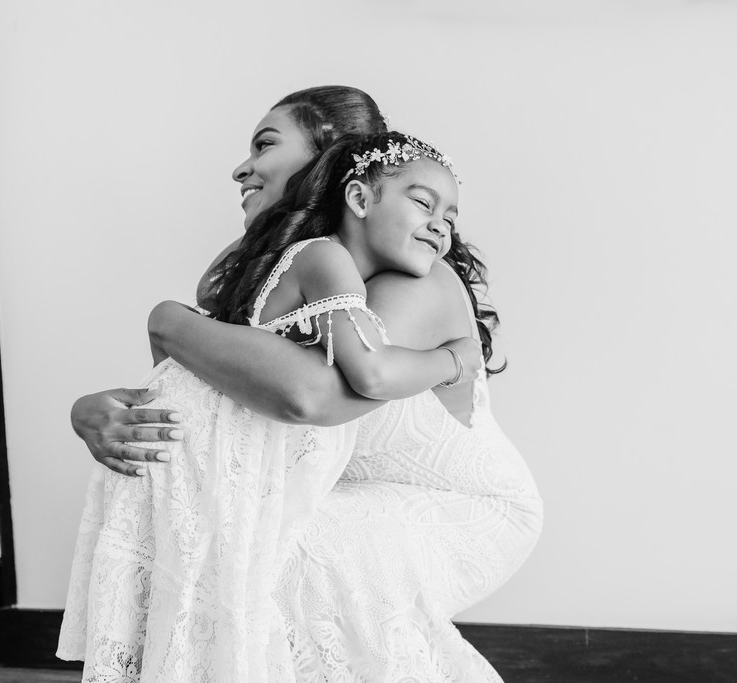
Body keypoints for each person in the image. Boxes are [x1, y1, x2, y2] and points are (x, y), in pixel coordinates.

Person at [66, 86, 543, 681]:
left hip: (465, 507)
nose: (242, 167)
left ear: (335, 160)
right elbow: (221, 397)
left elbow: (309, 397)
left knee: (271, 557)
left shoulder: (416, 280)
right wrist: (96, 409)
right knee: (221, 538)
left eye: (265, 144)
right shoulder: (293, 270)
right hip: (334, 493)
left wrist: (168, 320)